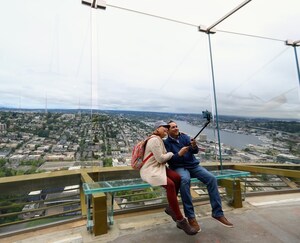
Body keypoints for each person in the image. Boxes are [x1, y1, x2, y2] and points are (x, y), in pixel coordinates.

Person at [164, 120, 233, 232]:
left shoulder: (184, 137)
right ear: (167, 130)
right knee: (185, 180)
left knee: (211, 179)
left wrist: (195, 146)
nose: (176, 128)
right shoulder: (166, 144)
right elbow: (170, 161)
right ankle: (191, 217)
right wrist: (179, 154)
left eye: (176, 126)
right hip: (179, 167)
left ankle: (217, 213)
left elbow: (194, 151)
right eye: (173, 127)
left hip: (193, 165)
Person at [140, 121, 198, 235]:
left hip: (158, 167)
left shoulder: (159, 139)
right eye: (164, 128)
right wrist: (172, 153)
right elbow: (161, 159)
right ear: (157, 129)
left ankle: (171, 207)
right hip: (151, 169)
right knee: (171, 184)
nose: (166, 129)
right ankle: (181, 220)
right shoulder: (155, 140)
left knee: (177, 177)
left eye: (167, 128)